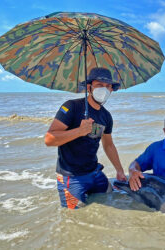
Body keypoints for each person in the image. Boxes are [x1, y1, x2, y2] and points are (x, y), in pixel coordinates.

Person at [45, 67, 127, 209]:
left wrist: (119, 170)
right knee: (74, 216)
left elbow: (108, 145)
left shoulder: (106, 116)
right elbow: (49, 139)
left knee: (114, 197)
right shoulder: (71, 106)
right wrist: (79, 131)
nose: (105, 89)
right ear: (89, 87)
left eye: (108, 86)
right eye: (100, 85)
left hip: (94, 172)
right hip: (71, 177)